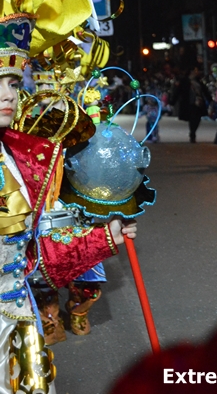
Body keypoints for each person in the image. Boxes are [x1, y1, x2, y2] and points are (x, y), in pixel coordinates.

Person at [0, 69, 138, 391]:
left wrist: (107, 237)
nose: (8, 94)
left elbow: (27, 262)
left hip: (18, 327)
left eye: (13, 83)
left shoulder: (16, 159)